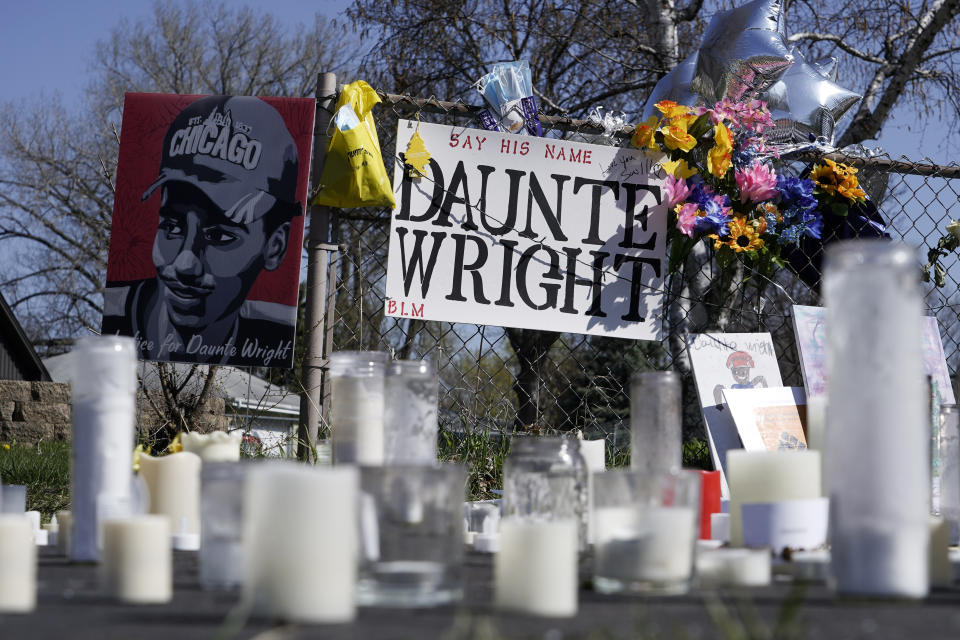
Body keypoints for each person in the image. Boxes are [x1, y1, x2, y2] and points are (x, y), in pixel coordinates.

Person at [102, 95, 302, 367]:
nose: (185, 263)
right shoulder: (113, 323)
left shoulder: (273, 336)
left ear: (275, 245)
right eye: (172, 228)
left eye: (219, 236)